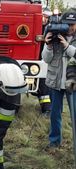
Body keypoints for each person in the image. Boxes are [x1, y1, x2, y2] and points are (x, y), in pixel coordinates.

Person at [42, 9, 76, 148]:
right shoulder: (55, 35)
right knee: (55, 114)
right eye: (67, 24)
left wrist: (67, 46)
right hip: (55, 82)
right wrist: (49, 45)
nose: (69, 27)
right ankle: (54, 142)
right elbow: (46, 58)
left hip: (73, 82)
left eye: (72, 24)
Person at [32, 7, 53, 116]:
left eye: (47, 17)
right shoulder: (33, 25)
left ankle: (47, 109)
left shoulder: (51, 29)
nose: (44, 19)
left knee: (44, 85)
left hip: (44, 60)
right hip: (33, 59)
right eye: (43, 16)